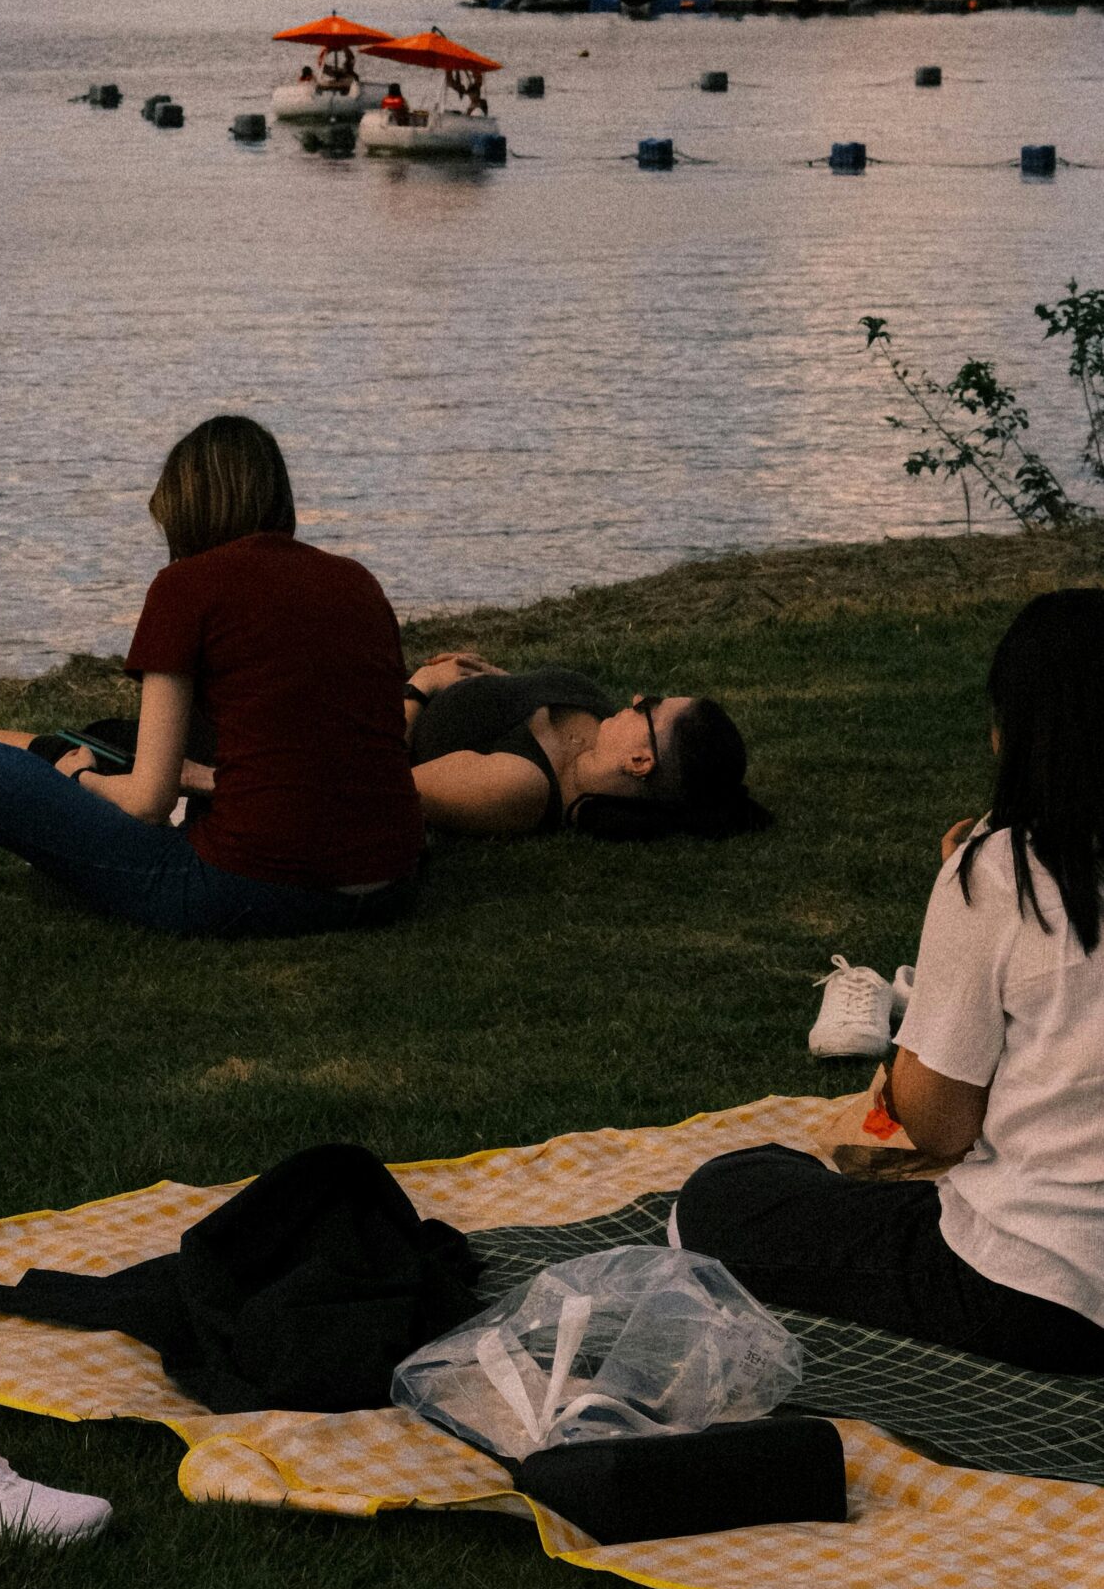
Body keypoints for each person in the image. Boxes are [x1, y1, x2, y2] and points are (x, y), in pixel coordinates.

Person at [674, 589, 1104, 1375]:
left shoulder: (1000, 874)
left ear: (1015, 736)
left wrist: (960, 917)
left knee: (725, 1193)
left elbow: (939, 1129)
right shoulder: (1000, 879)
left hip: (1047, 1290)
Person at [0, 415, 426, 939]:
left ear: (187, 508)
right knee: (119, 744)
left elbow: (147, 801)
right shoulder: (358, 581)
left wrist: (82, 781)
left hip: (256, 892)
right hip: (393, 883)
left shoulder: (186, 588)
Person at [402, 652, 769, 842]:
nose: (638, 696)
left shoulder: (518, 784)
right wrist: (470, 670)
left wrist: (420, 686)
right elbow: (513, 690)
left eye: (649, 706)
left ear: (639, 761)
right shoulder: (595, 710)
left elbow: (384, 782)